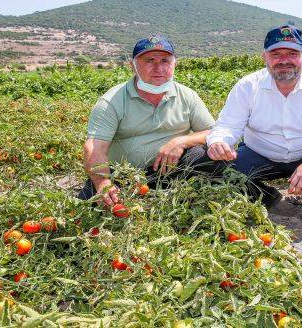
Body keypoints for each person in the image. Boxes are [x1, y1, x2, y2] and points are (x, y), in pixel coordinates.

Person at [206, 25, 302, 222]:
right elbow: (228, 125)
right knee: (213, 163)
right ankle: (265, 197)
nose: (284, 60)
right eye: (275, 53)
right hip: (260, 155)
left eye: (292, 53)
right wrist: (218, 142)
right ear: (264, 57)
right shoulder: (248, 86)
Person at [79, 34, 215, 206]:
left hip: (173, 170)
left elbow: (214, 132)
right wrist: (103, 183)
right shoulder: (112, 100)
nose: (158, 68)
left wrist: (182, 141)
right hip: (124, 176)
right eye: (150, 61)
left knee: (210, 155)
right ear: (133, 66)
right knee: (92, 206)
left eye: (165, 61)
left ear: (174, 64)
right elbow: (95, 147)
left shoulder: (187, 96)